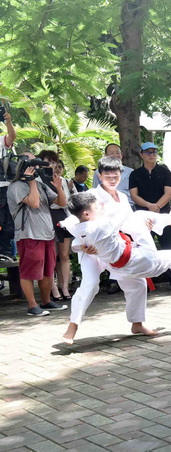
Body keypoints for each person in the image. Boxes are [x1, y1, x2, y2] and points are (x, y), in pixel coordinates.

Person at [62, 157, 154, 344]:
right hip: (92, 250)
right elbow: (72, 221)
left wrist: (145, 225)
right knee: (91, 284)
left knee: (137, 283)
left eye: (116, 175)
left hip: (116, 248)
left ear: (121, 175)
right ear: (99, 175)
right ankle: (72, 326)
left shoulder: (123, 197)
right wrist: (82, 245)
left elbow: (129, 224)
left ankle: (137, 323)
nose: (112, 179)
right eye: (108, 176)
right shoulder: (91, 195)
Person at [65, 191, 171, 309]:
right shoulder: (102, 225)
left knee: (137, 288)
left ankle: (137, 323)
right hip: (141, 260)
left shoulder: (78, 229)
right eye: (96, 207)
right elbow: (125, 213)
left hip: (120, 270)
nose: (99, 209)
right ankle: (170, 218)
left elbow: (69, 228)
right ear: (87, 213)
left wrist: (82, 247)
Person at [7, 157, 68, 316]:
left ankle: (46, 301)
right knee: (29, 271)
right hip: (29, 234)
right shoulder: (16, 187)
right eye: (33, 167)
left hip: (47, 234)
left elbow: (61, 202)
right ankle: (32, 306)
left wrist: (59, 188)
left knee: (48, 271)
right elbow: (34, 203)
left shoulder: (40, 185)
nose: (37, 170)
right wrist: (31, 181)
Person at [129, 142, 171, 255]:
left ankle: (169, 273)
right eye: (148, 152)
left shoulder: (165, 172)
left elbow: (168, 193)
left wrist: (157, 207)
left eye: (154, 152)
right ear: (141, 154)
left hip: (164, 215)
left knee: (170, 250)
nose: (152, 155)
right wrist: (149, 206)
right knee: (142, 251)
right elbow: (134, 195)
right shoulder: (135, 174)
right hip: (143, 218)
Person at [47, 159, 76, 302]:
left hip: (65, 217)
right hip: (51, 217)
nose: (57, 169)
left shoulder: (65, 181)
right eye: (54, 166)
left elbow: (71, 200)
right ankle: (53, 289)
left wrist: (70, 188)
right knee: (53, 256)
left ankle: (64, 286)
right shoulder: (45, 181)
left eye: (60, 166)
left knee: (64, 255)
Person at [93, 143, 134, 207]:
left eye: (117, 153)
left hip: (128, 205)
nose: (115, 155)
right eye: (111, 153)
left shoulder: (131, 172)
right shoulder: (98, 172)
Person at [0, 109, 17, 258]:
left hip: (2, 188)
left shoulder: (1, 141)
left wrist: (8, 121)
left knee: (5, 222)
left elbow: (12, 136)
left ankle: (5, 252)